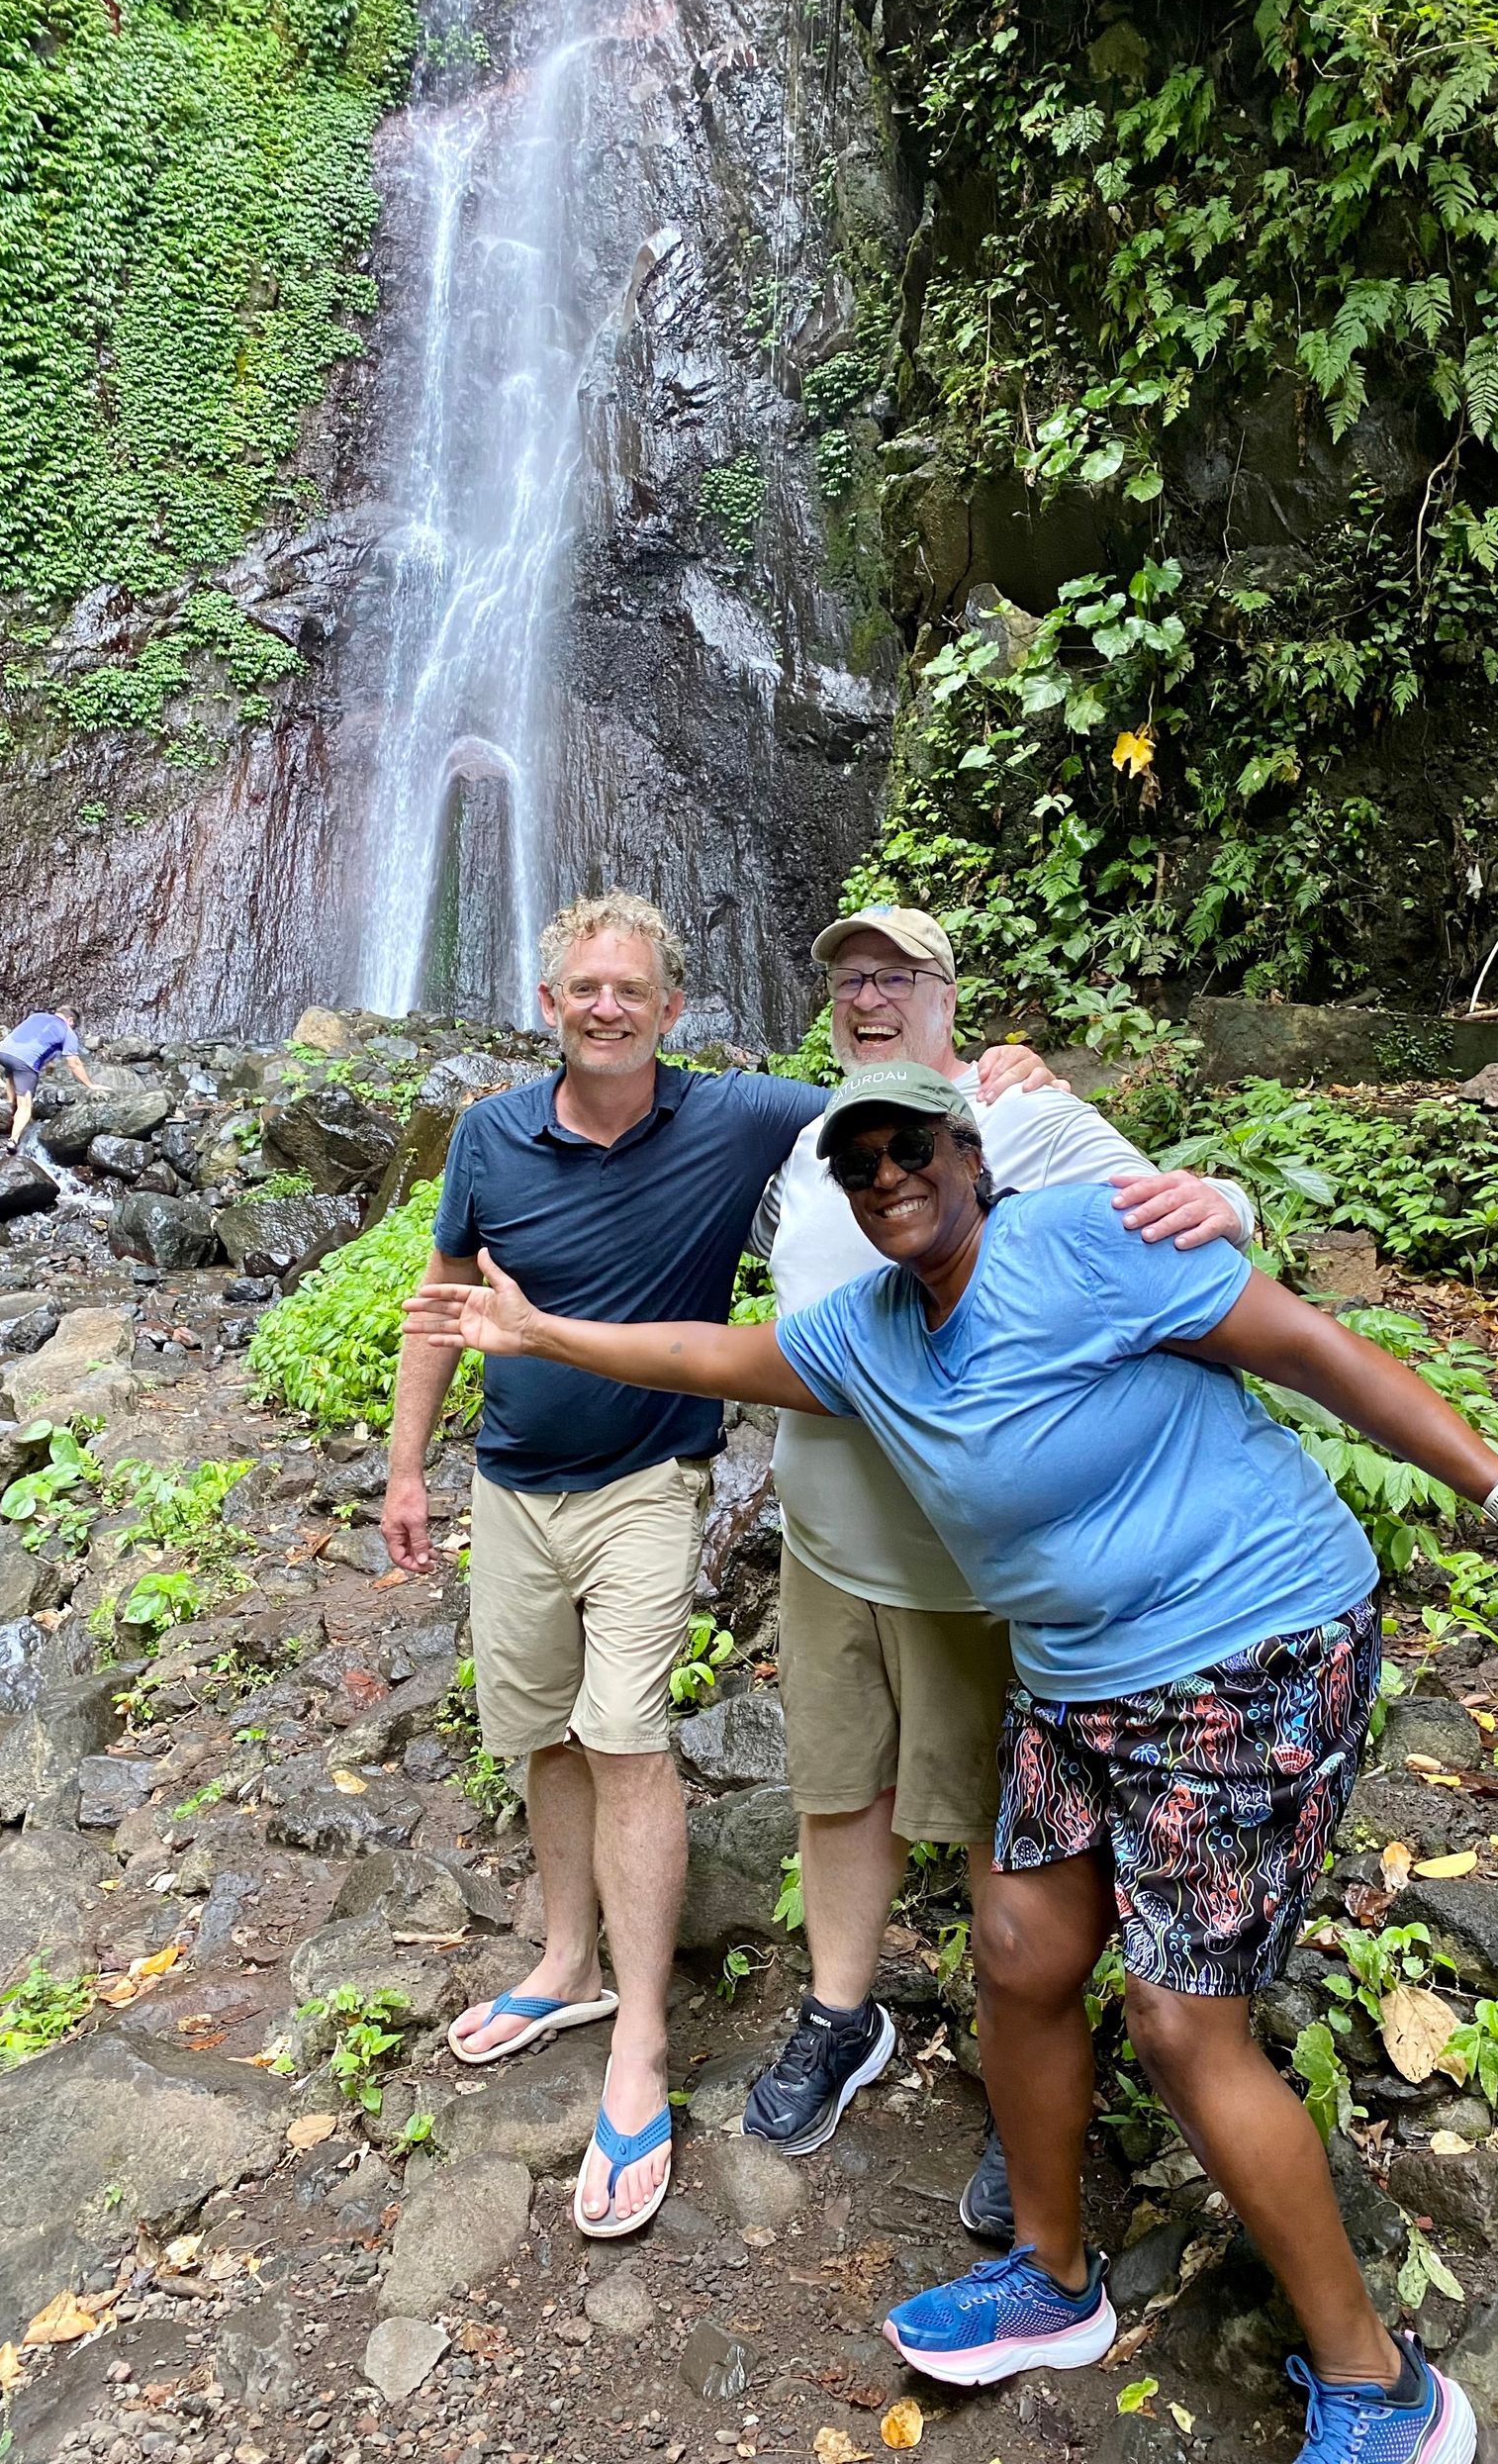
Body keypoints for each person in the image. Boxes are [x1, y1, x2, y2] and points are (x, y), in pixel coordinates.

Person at [403, 1058, 1498, 2464]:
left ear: (968, 1153)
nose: (887, 1177)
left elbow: (1310, 1349)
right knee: (1013, 1951)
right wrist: (541, 1330)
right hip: (1076, 1683)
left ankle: (1384, 2385)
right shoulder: (868, 1335)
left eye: (910, 1150)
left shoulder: (1083, 1241)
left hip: (1249, 1646)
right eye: (858, 1163)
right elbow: (708, 1356)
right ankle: (1055, 2280)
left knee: (1183, 2026)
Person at [380, 893, 1067, 2237]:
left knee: (641, 1735)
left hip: (682, 1485)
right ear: (549, 1002)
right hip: (549, 1492)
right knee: (568, 1740)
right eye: (583, 987)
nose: (606, 1008)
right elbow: (442, 1298)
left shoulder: (785, 1119)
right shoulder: (508, 1135)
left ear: (672, 1010)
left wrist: (1018, 1074)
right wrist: (407, 1468)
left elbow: (941, 1118)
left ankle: (651, 2048)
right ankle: (581, 1964)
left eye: (629, 989)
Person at [743, 905, 1252, 2236]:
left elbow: (1190, 1216)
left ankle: (1012, 2088)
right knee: (838, 1787)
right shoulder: (815, 1144)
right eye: (850, 978)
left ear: (948, 997)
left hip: (964, 1563)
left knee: (995, 1829)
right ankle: (840, 2018)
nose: (869, 999)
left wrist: (1235, 1198)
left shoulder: (1016, 1118)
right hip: (825, 1544)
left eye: (895, 978)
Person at [0, 1007, 92, 1151]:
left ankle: (8, 1106)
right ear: (70, 1020)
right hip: (24, 1062)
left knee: (12, 1071)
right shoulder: (67, 1031)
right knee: (25, 1105)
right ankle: (12, 1140)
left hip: (2, 1052)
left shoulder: (37, 1017)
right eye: (73, 1026)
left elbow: (35, 1041)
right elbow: (74, 1063)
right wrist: (90, 1085)